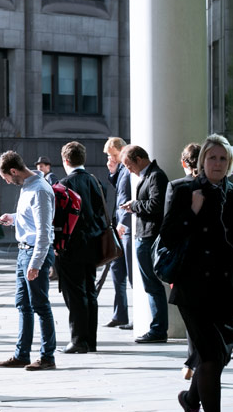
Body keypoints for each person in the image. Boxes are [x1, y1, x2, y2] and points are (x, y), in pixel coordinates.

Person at [160, 134, 233, 412]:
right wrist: (192, 212)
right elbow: (168, 236)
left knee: (217, 357)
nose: (218, 163)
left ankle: (190, 399)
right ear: (202, 161)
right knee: (210, 357)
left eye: (223, 158)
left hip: (228, 289)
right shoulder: (182, 189)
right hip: (193, 288)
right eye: (212, 157)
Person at [0, 150, 57, 371]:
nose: (7, 182)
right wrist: (13, 218)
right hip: (24, 251)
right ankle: (22, 354)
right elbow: (31, 220)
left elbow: (44, 231)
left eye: (6, 177)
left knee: (40, 305)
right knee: (23, 305)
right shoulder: (28, 187)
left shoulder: (39, 189)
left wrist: (36, 263)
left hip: (33, 253)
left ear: (13, 170)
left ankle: (47, 356)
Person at [55, 141, 104, 354]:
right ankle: (90, 340)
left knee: (74, 295)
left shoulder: (64, 184)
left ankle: (78, 340)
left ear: (66, 160)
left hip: (71, 247)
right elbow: (101, 210)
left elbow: (59, 218)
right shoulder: (94, 181)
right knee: (90, 292)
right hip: (92, 244)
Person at [119, 144, 169, 343]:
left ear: (139, 159)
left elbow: (157, 205)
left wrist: (134, 205)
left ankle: (158, 330)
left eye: (129, 165)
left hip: (149, 237)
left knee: (152, 285)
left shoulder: (156, 176)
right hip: (144, 236)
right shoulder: (149, 176)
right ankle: (157, 328)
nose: (128, 169)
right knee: (151, 285)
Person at [168, 142, 201, 379]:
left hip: (187, 263)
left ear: (183, 163)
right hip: (200, 263)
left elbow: (168, 230)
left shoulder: (177, 187)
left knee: (193, 318)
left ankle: (193, 360)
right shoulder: (221, 186)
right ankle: (194, 360)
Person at [103, 137, 133, 330]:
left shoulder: (128, 170)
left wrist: (123, 223)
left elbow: (126, 196)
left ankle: (128, 315)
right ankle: (120, 313)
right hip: (119, 227)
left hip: (125, 227)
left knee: (128, 274)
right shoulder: (121, 170)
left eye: (112, 155)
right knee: (117, 271)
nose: (110, 159)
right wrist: (112, 171)